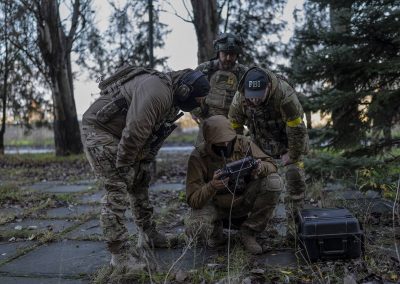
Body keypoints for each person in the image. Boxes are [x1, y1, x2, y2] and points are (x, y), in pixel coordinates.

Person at [81, 66, 210, 271]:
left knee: (140, 181)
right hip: (100, 131)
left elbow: (147, 133)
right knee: (117, 189)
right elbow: (135, 131)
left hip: (121, 134)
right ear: (185, 91)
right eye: (198, 99)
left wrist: (140, 165)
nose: (198, 105)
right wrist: (124, 165)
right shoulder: (158, 91)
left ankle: (148, 234)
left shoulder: (169, 93)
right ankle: (120, 254)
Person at [185, 115, 282, 254]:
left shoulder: (244, 144)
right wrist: (212, 186)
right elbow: (193, 200)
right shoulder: (198, 157)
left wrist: (260, 168)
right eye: (219, 142)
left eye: (228, 141)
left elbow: (272, 165)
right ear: (208, 141)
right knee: (195, 229)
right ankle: (215, 233)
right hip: (215, 205)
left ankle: (249, 232)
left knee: (274, 182)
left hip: (243, 199)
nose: (225, 145)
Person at [228, 66, 309, 218]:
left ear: (269, 87)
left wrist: (292, 154)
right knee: (253, 179)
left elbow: (296, 128)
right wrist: (236, 155)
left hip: (288, 141)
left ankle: (295, 228)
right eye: (251, 95)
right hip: (259, 141)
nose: (254, 99)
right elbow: (233, 128)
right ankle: (259, 223)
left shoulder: (284, 94)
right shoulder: (240, 98)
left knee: (294, 176)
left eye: (259, 95)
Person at [191, 33, 248, 145]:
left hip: (233, 124)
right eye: (225, 54)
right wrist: (194, 111)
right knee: (202, 156)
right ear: (218, 52)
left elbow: (252, 98)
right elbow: (189, 91)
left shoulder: (244, 73)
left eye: (232, 55)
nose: (228, 58)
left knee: (235, 157)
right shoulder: (204, 69)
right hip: (208, 122)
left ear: (237, 55)